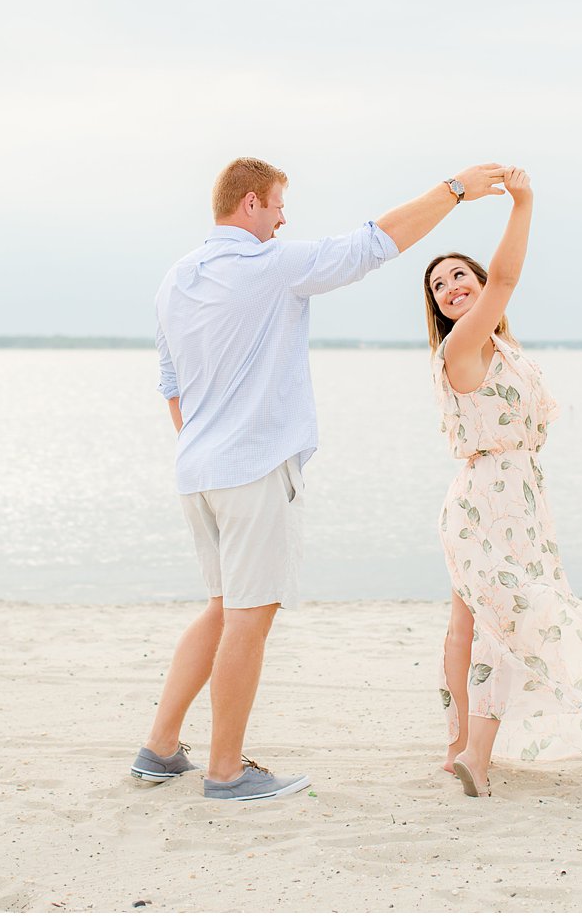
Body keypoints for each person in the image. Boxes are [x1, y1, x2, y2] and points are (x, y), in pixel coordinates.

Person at [133, 156, 508, 803]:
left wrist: (210, 446)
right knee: (249, 616)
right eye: (279, 204)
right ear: (250, 204)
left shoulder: (175, 280)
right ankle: (225, 771)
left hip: (198, 471)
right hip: (251, 471)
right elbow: (373, 244)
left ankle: (161, 749)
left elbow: (172, 391)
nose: (285, 218)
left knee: (224, 609)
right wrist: (454, 191)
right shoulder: (270, 266)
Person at [422, 167, 582, 798]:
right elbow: (507, 278)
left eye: (459, 275)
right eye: (438, 285)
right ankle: (473, 756)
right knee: (500, 623)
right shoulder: (463, 346)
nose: (451, 287)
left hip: (520, 502)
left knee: (473, 622)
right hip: (484, 504)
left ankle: (458, 745)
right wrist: (525, 201)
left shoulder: (504, 352)